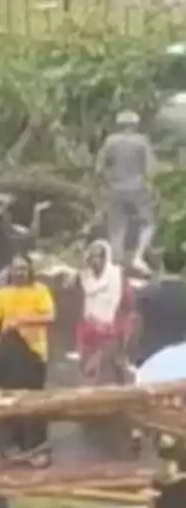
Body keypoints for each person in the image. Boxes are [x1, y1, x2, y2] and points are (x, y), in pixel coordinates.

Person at [0, 255, 56, 463]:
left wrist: (21, 321)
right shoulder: (2, 293)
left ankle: (37, 448)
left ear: (30, 270)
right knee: (11, 401)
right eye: (16, 269)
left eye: (24, 269)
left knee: (35, 404)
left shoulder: (40, 290)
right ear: (10, 271)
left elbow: (50, 316)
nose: (20, 272)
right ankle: (11, 447)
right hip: (11, 357)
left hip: (34, 354)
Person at [96, 110, 156, 271]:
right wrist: (150, 186)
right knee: (148, 223)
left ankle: (116, 262)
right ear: (135, 125)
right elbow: (150, 168)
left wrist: (107, 182)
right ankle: (138, 257)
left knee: (117, 226)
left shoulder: (110, 142)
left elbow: (99, 168)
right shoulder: (141, 142)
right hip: (138, 188)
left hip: (115, 189)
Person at [76, 240, 133, 386]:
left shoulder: (116, 274)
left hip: (111, 329)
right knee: (89, 369)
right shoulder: (85, 277)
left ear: (105, 257)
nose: (96, 260)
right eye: (92, 256)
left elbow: (126, 301)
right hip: (89, 329)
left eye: (99, 256)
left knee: (111, 367)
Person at [132, 245, 186, 366]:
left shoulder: (147, 293)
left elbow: (137, 325)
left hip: (150, 356)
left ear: (162, 265)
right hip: (180, 359)